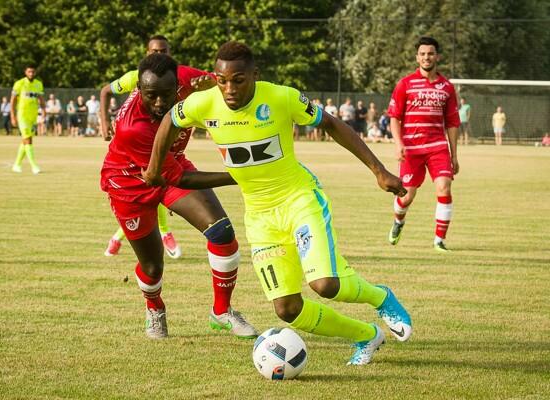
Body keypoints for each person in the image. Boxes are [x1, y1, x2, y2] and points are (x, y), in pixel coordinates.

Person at [145, 41, 412, 366]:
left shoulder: (282, 97)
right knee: (288, 309)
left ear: (255, 75)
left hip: (299, 200)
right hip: (259, 216)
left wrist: (379, 170)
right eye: (221, 80)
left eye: (238, 80)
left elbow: (331, 124)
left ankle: (380, 296)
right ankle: (366, 335)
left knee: (325, 284)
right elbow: (170, 121)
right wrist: (154, 169)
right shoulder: (203, 104)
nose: (229, 88)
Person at [100, 53, 257, 340]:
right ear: (138, 89)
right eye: (151, 96)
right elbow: (179, 178)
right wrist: (241, 174)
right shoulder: (134, 128)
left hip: (170, 163)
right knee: (152, 266)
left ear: (178, 84)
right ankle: (155, 308)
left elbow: (226, 84)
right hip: (129, 183)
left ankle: (221, 312)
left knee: (221, 233)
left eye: (166, 95)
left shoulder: (188, 78)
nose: (160, 104)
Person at [101, 35, 189, 258]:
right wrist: (105, 121)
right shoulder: (135, 76)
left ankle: (119, 239)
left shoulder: (178, 78)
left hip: (159, 147)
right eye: (154, 51)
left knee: (155, 186)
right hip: (135, 149)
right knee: (146, 193)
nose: (158, 55)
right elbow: (106, 91)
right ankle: (165, 233)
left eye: (163, 51)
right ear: (146, 52)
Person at [386, 36, 460, 252]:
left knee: (444, 187)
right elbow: (394, 117)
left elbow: (453, 122)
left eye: (430, 53)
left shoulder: (447, 87)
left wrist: (454, 155)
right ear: (417, 57)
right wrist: (398, 143)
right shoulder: (405, 84)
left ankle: (439, 240)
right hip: (411, 149)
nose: (427, 57)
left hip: (438, 147)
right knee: (406, 196)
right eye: (423, 54)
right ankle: (398, 222)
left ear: (437, 56)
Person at [10, 64, 45, 174]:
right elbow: (12, 101)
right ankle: (34, 166)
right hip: (22, 115)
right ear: (25, 72)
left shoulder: (38, 84)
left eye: (33, 72)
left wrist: (44, 111)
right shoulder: (19, 84)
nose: (31, 74)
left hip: (33, 116)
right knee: (28, 139)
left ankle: (16, 164)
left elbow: (41, 99)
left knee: (26, 141)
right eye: (29, 71)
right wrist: (12, 115)